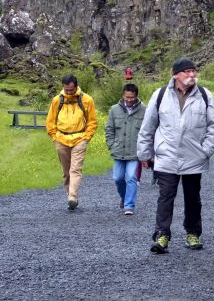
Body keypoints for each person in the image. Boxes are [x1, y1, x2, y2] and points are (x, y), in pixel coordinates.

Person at [137, 57, 214, 254]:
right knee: (165, 197)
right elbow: (148, 126)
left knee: (193, 197)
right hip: (167, 156)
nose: (192, 75)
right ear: (175, 74)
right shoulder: (160, 95)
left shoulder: (205, 95)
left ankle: (193, 234)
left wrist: (205, 151)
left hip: (194, 157)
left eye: (194, 71)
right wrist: (144, 154)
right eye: (187, 72)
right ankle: (162, 235)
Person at [45, 74, 98, 210]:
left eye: (71, 90)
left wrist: (87, 137)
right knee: (66, 171)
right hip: (61, 139)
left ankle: (73, 196)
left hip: (80, 138)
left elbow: (92, 121)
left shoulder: (87, 100)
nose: (69, 92)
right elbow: (50, 121)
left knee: (75, 168)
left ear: (76, 86)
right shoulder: (57, 100)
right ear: (63, 87)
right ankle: (70, 196)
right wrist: (54, 137)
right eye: (66, 90)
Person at [105, 83, 146, 215]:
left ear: (136, 96)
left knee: (131, 177)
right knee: (118, 178)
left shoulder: (144, 110)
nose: (129, 100)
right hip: (118, 151)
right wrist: (111, 145)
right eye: (127, 97)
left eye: (132, 97)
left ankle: (129, 205)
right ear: (123, 95)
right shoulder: (114, 110)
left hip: (135, 153)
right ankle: (124, 197)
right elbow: (109, 129)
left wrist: (145, 149)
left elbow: (148, 131)